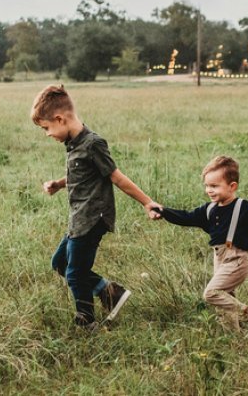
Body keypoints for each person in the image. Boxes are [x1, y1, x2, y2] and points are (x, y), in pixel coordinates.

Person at [32, 85, 159, 330]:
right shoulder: (74, 144)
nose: (47, 134)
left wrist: (147, 202)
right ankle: (110, 292)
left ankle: (86, 321)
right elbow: (83, 174)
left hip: (92, 218)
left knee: (75, 273)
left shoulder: (93, 144)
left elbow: (116, 177)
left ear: (60, 119)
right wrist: (59, 184)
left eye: (46, 128)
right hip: (78, 219)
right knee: (60, 263)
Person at [152, 156, 248, 335]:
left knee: (212, 293)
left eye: (214, 186)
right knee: (225, 301)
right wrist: (163, 211)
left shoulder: (242, 206)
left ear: (232, 186)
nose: (209, 190)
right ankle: (234, 337)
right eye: (207, 186)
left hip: (237, 259)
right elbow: (186, 217)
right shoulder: (209, 209)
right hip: (219, 258)